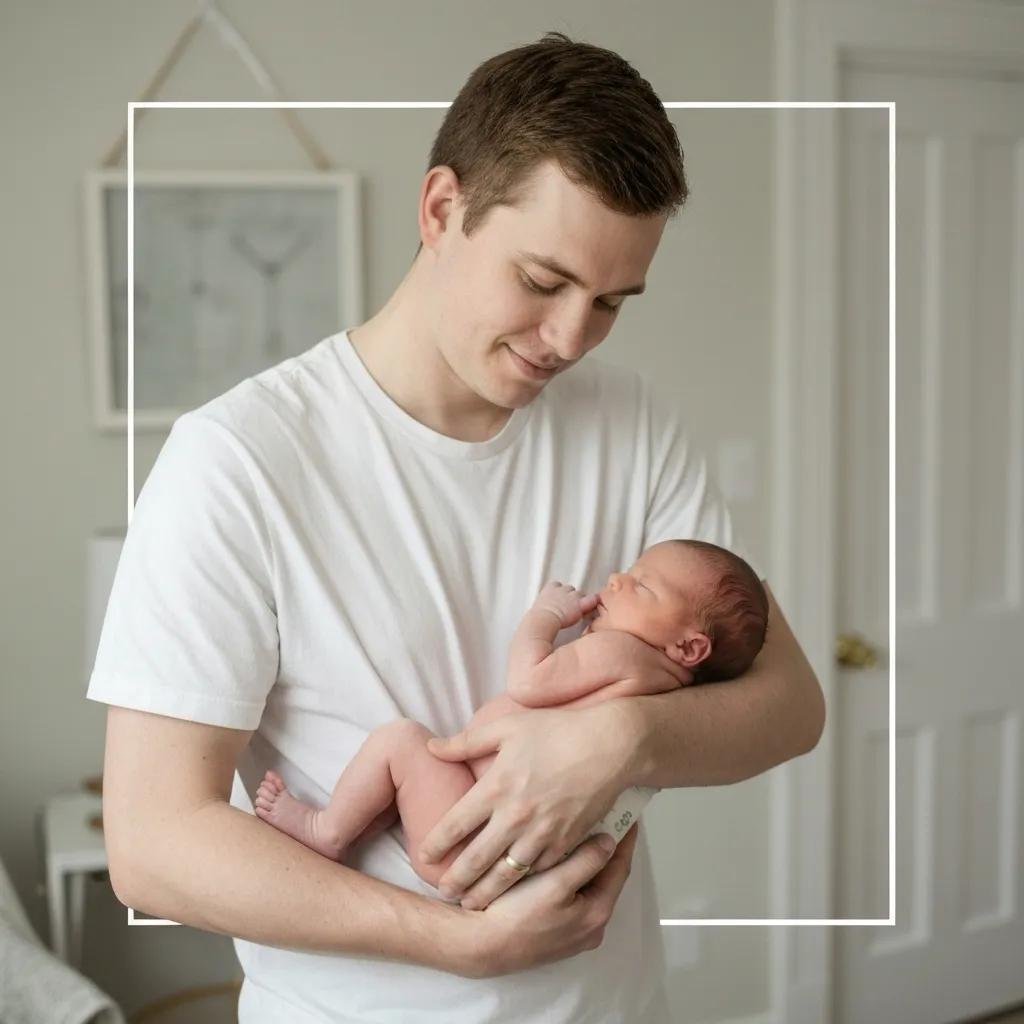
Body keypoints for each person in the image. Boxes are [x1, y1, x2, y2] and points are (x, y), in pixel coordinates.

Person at [88, 31, 824, 1024]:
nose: (570, 338)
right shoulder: (236, 462)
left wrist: (616, 738)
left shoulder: (633, 422)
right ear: (443, 209)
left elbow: (790, 707)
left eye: (610, 301)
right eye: (543, 281)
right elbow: (150, 843)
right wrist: (457, 941)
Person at [251, 540, 769, 901]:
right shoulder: (663, 690)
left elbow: (530, 682)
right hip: (523, 861)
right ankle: (370, 820)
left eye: (641, 585)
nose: (616, 579)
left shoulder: (621, 652)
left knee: (402, 741)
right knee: (409, 775)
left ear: (689, 645)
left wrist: (544, 617)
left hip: (466, 837)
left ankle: (329, 831)